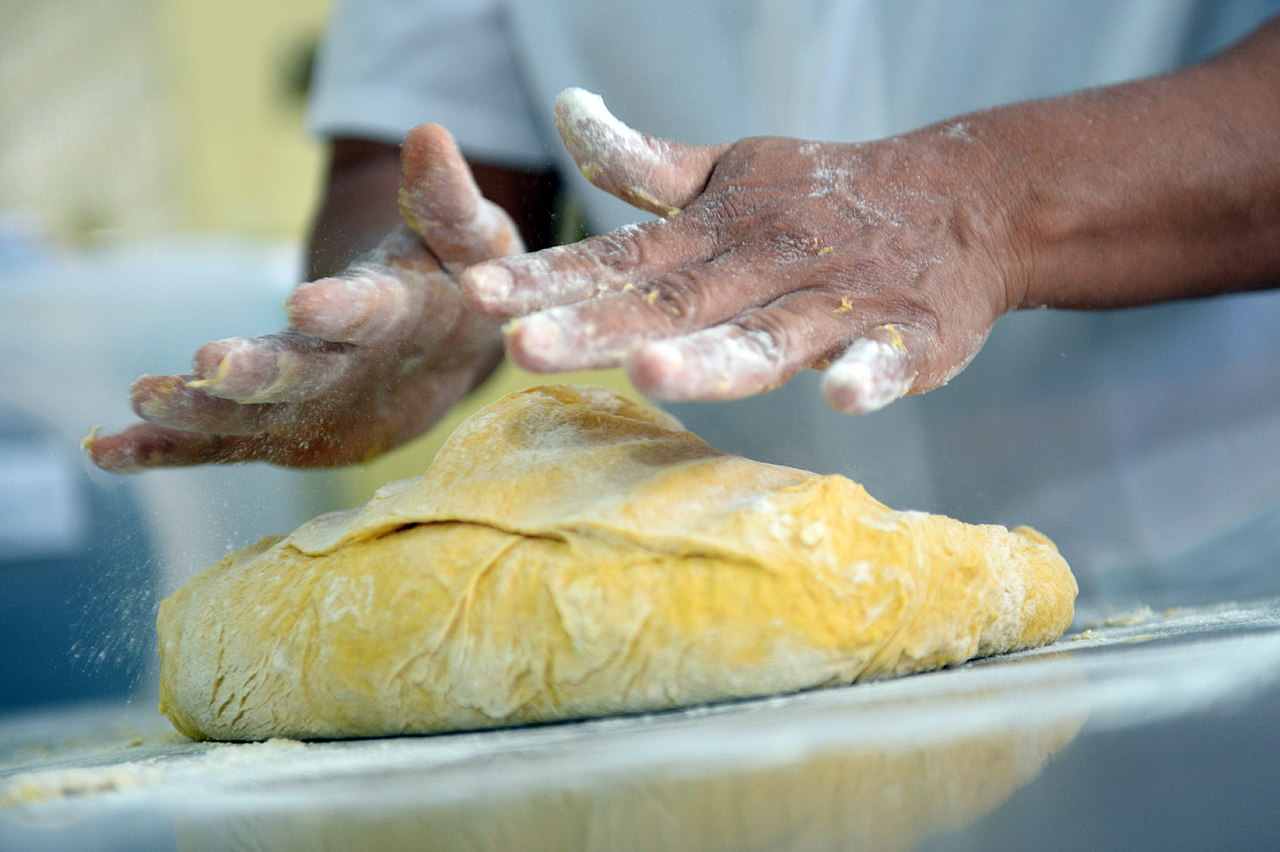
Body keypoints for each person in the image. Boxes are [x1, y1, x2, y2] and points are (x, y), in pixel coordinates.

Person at [87, 1, 1280, 605]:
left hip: (1223, 555)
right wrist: (412, 293)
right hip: (746, 602)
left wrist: (974, 207)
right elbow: (409, 168)